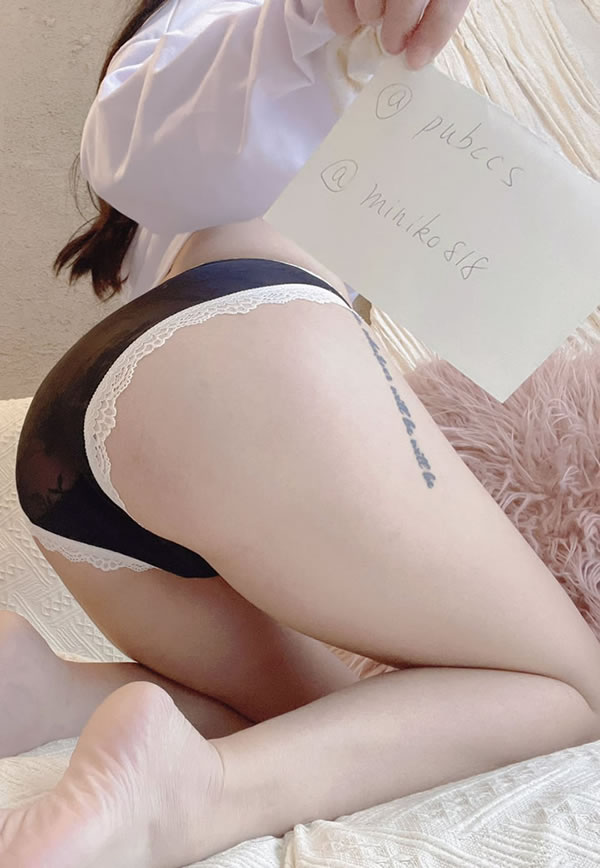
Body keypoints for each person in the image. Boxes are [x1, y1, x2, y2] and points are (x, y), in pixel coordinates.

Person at [3, 1, 600, 866]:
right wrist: (309, 14)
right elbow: (131, 142)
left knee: (344, 720)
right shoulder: (248, 21)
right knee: (575, 689)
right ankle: (197, 799)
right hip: (242, 340)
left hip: (89, 447)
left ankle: (51, 693)